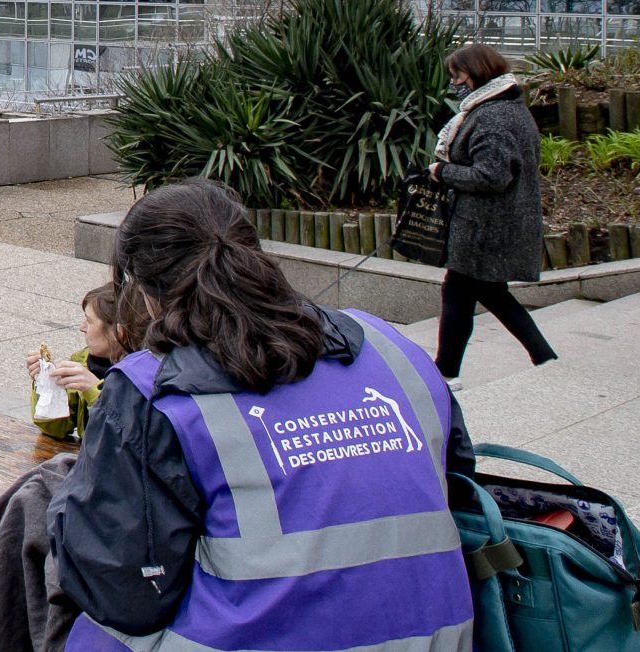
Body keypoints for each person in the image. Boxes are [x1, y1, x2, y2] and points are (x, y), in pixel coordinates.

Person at [48, 179, 476, 650]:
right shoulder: (394, 347)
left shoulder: (154, 392)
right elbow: (458, 487)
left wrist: (65, 505)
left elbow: (124, 593)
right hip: (441, 635)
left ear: (146, 293)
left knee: (55, 577)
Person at [429, 43, 557, 391]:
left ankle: (446, 372)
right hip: (495, 225)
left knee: (465, 292)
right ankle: (542, 357)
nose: (454, 83)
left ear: (476, 73)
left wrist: (443, 172)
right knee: (475, 293)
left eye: (457, 75)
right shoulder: (508, 108)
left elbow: (492, 176)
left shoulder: (492, 117)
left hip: (485, 228)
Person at [23, 283, 149, 443]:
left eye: (89, 321)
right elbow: (57, 428)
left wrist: (97, 392)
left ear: (119, 334)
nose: (82, 328)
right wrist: (46, 384)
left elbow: (130, 442)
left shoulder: (144, 377)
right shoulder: (84, 360)